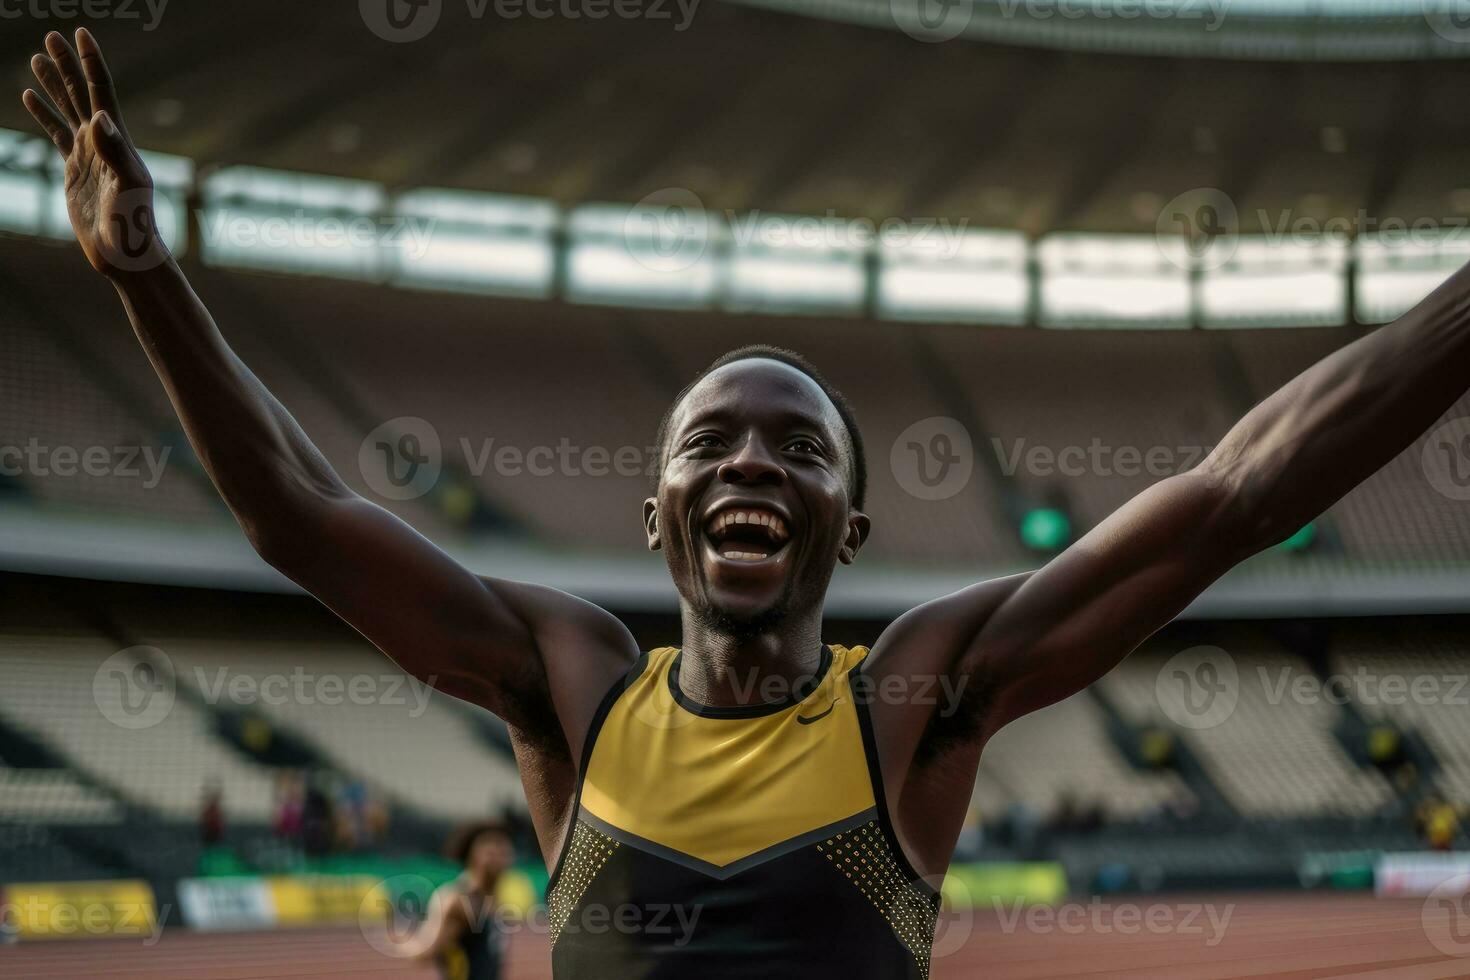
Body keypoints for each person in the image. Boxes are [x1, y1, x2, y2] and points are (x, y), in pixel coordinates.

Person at [20, 28, 1470, 978]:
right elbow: (294, 510)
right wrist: (150, 281)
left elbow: (1232, 492)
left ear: (847, 527)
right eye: (708, 441)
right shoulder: (568, 687)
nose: (752, 462)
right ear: (656, 512)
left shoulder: (913, 702)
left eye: (799, 448)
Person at [382, 822, 513, 980]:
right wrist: (401, 944)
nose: (499, 859)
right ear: (473, 854)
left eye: (503, 852)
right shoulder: (458, 900)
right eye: (491, 853)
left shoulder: (492, 896)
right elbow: (427, 952)